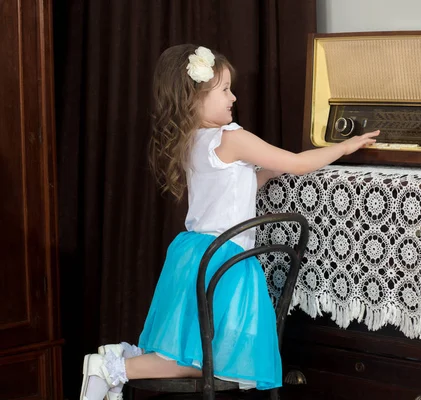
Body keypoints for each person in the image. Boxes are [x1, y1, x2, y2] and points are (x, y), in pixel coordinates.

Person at [79, 44, 379, 400]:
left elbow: (241, 181)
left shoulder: (194, 140)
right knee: (209, 360)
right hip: (226, 258)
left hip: (197, 254)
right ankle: (115, 367)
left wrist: (264, 173)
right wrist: (343, 147)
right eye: (224, 90)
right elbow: (296, 163)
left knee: (201, 356)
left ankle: (118, 363)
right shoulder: (231, 138)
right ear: (194, 99)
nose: (233, 97)